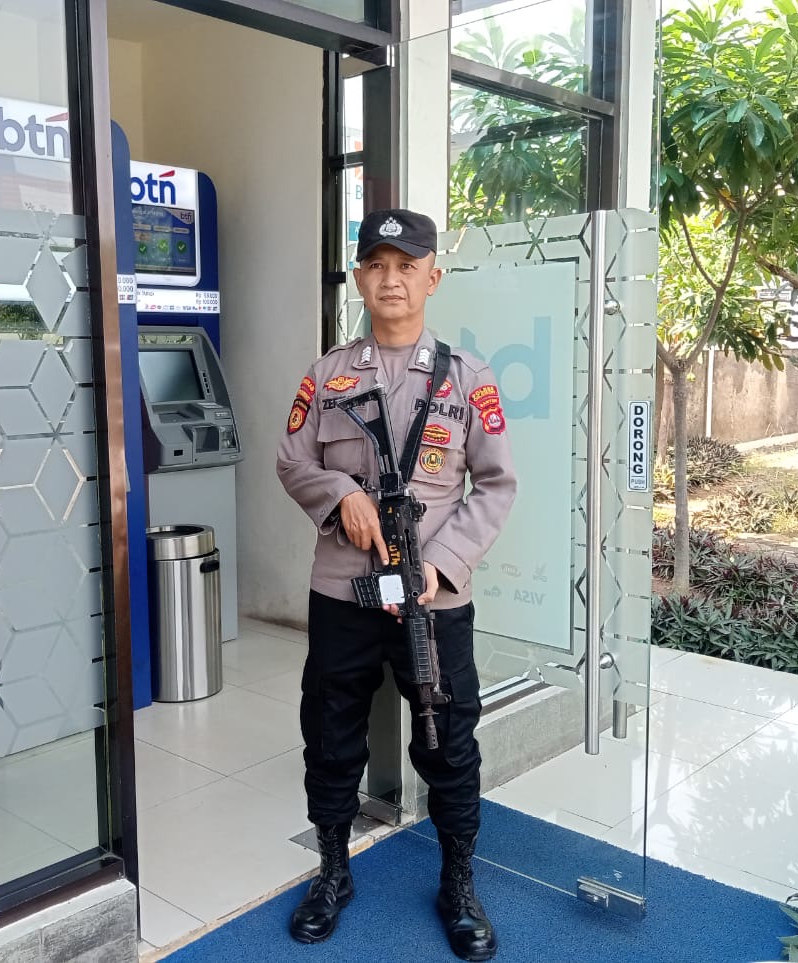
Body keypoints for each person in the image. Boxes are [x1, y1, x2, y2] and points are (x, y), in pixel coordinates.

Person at [276, 208, 518, 962]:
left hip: (432, 596)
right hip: (343, 589)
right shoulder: (327, 374)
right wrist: (339, 494)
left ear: (432, 278)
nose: (391, 279)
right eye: (377, 265)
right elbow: (291, 460)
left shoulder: (467, 377)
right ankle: (332, 870)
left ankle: (458, 882)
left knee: (449, 740)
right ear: (358, 278)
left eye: (406, 265)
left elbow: (497, 484)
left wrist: (442, 562)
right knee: (331, 732)